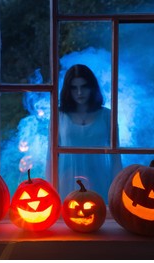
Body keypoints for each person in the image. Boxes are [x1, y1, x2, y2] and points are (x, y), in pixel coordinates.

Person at [47, 64, 122, 202]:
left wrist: (118, 187)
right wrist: (49, 188)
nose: (80, 92)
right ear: (68, 90)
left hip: (100, 179)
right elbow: (51, 155)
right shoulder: (59, 116)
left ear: (92, 87)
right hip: (66, 180)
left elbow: (116, 157)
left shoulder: (107, 115)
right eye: (74, 88)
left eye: (84, 86)